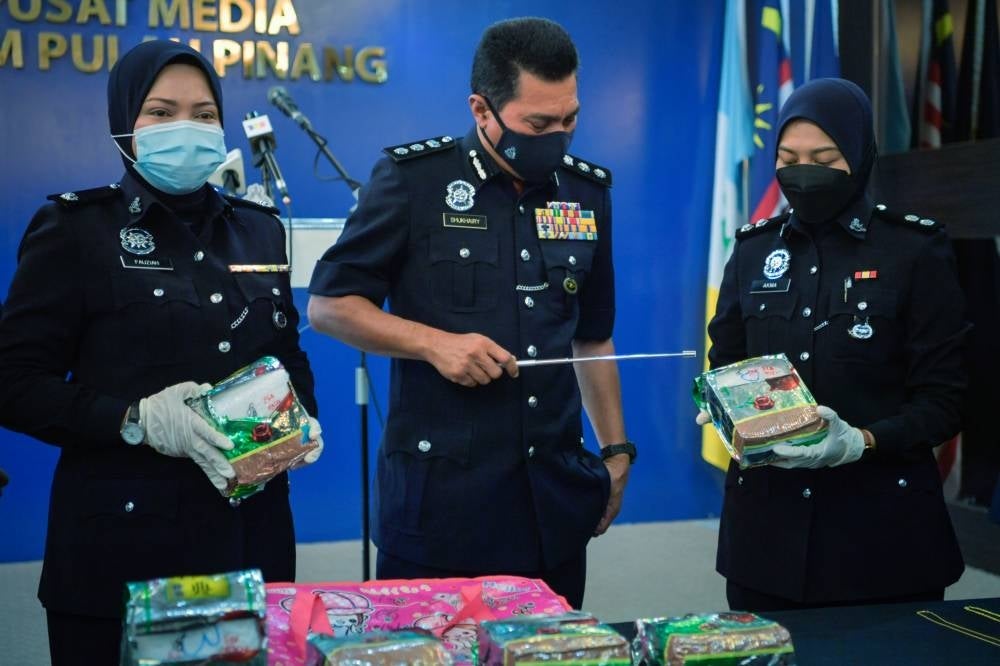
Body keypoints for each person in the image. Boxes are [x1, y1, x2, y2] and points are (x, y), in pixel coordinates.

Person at [0, 41, 322, 664]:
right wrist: (133, 421)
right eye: (161, 111)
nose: (187, 127)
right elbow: (12, 381)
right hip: (122, 548)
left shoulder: (258, 228)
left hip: (249, 541)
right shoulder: (74, 229)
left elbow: (286, 351)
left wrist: (300, 419)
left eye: (204, 114)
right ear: (124, 122)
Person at [307, 17, 631, 609]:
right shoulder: (415, 181)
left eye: (570, 119)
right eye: (538, 124)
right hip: (440, 507)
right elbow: (330, 306)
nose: (557, 137)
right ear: (482, 110)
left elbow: (593, 338)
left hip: (549, 502)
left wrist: (615, 452)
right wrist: (435, 343)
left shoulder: (587, 194)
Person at [705, 78, 967, 611]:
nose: (804, 171)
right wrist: (725, 405)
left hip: (882, 545)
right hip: (766, 544)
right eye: (789, 157)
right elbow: (726, 361)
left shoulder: (914, 250)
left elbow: (947, 401)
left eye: (824, 157)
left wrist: (861, 440)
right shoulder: (754, 251)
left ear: (859, 155)